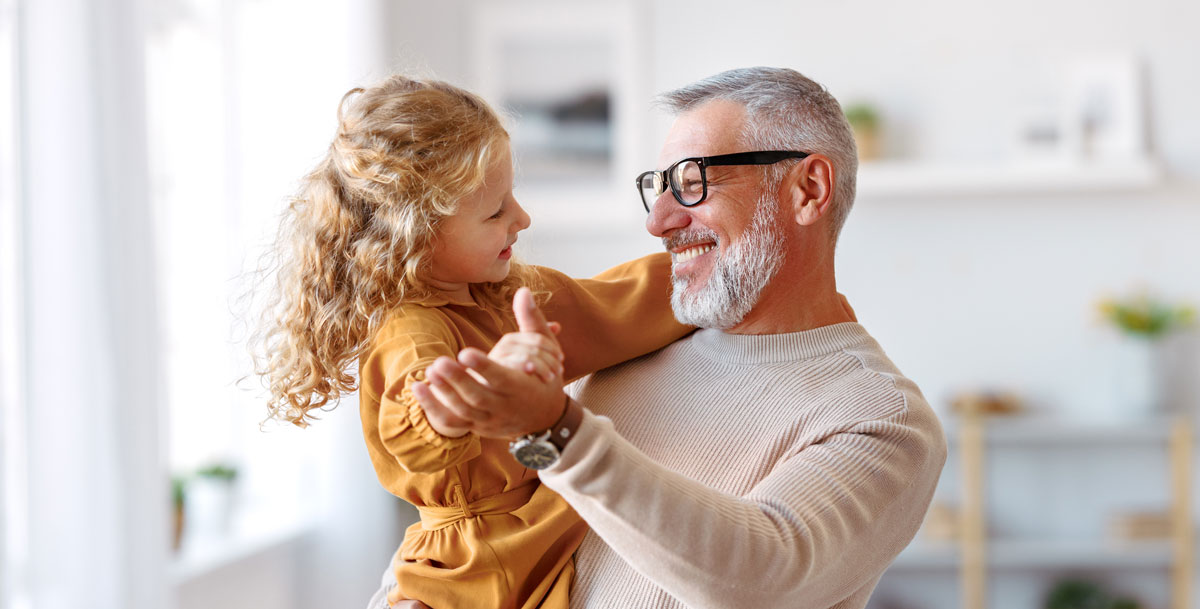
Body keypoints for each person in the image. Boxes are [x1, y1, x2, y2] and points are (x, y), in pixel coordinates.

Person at [409, 67, 948, 609]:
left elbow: (761, 576)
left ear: (808, 190)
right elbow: (487, 531)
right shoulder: (631, 348)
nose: (660, 220)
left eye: (692, 183)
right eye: (659, 188)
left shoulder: (882, 418)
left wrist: (556, 430)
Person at [250, 75, 690, 609]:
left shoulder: (507, 296)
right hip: (468, 571)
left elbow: (613, 304)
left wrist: (714, 273)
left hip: (530, 534)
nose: (522, 218)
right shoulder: (412, 329)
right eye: (496, 211)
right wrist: (469, 395)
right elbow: (413, 421)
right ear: (417, 232)